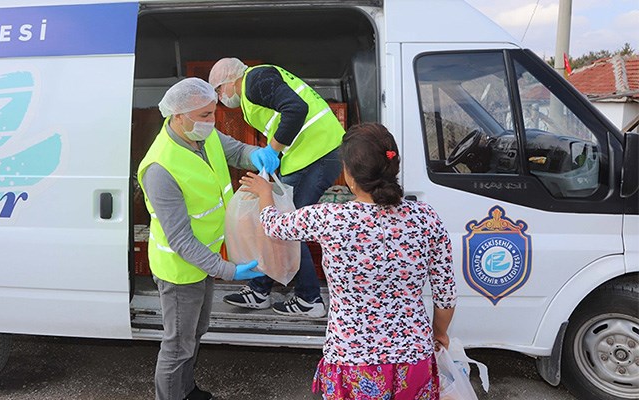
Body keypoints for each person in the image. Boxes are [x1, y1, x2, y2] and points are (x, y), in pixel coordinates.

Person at [238, 123, 457, 399]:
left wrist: (265, 193)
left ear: (349, 175)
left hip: (352, 358)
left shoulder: (330, 218)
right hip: (413, 359)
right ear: (393, 168)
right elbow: (445, 294)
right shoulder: (426, 218)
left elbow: (274, 226)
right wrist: (440, 333)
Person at [137, 77, 270, 400]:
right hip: (180, 270)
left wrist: (257, 154)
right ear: (178, 116)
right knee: (177, 345)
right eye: (205, 115)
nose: (212, 121)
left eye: (213, 113)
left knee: (195, 333)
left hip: (203, 260)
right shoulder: (160, 168)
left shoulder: (202, 137)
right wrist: (229, 271)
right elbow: (181, 240)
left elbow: (234, 149)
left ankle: (187, 390)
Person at [209, 57, 345, 318]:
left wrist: (273, 150)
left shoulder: (254, 82)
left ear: (228, 81)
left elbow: (296, 109)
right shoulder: (255, 86)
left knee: (287, 225)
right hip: (308, 156)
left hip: (317, 155)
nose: (219, 98)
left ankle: (309, 299)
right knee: (274, 220)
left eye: (218, 91)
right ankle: (260, 289)